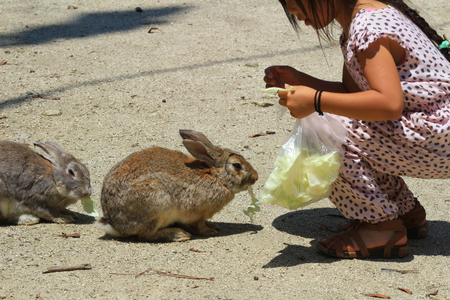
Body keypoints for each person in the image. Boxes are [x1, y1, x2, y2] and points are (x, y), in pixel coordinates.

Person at [264, 0, 450, 259]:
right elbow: (355, 95)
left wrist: (315, 101)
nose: (293, 11)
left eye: (295, 2)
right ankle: (404, 212)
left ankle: (382, 227)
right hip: (437, 134)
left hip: (439, 137)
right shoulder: (363, 20)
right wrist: (302, 81)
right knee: (339, 115)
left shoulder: (367, 28)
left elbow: (388, 105)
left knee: (326, 127)